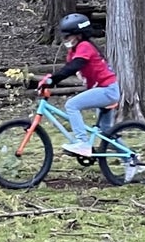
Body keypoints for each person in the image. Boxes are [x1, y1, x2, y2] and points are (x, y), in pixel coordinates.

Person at [39, 12, 119, 157]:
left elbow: (74, 66)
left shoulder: (85, 46)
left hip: (107, 90)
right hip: (104, 90)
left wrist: (53, 80)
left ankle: (82, 143)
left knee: (72, 105)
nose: (65, 39)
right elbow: (67, 69)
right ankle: (133, 161)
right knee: (107, 132)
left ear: (78, 35)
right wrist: (50, 80)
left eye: (68, 36)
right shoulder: (73, 50)